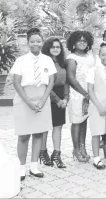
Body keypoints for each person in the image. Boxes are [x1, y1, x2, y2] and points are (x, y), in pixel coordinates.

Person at [11, 28, 56, 180]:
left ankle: (34, 165)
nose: (35, 44)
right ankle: (21, 167)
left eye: (38, 41)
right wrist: (29, 102)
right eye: (32, 41)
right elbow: (16, 83)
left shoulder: (47, 60)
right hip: (25, 100)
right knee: (23, 135)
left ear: (42, 42)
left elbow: (51, 82)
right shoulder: (20, 61)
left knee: (38, 133)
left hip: (42, 99)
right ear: (28, 43)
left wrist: (43, 100)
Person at [66, 30, 96, 163]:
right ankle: (76, 149)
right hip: (77, 94)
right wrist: (84, 94)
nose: (82, 43)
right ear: (73, 43)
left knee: (84, 121)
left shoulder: (90, 56)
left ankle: (83, 147)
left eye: (85, 40)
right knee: (77, 122)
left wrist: (91, 93)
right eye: (79, 40)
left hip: (89, 93)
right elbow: (71, 79)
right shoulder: (71, 58)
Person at [39, 37, 68, 169]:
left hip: (62, 95)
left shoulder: (63, 63)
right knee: (45, 126)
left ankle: (56, 154)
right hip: (48, 95)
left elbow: (66, 81)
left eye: (58, 47)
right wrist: (57, 100)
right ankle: (43, 152)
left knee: (58, 126)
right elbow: (45, 84)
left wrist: (66, 98)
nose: (56, 49)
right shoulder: (44, 62)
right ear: (47, 48)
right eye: (53, 47)